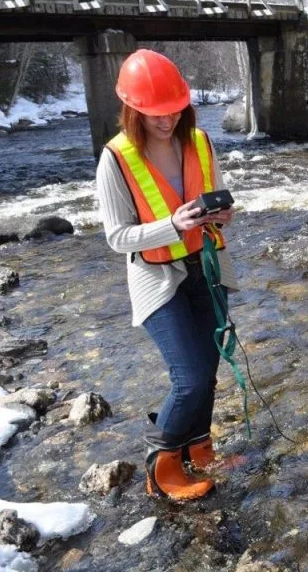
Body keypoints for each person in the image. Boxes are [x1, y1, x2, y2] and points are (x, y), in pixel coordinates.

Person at [96, 49, 238, 501]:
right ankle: (162, 467)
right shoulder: (115, 159)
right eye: (156, 114)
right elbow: (117, 237)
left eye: (175, 110)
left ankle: (200, 449)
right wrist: (171, 225)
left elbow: (212, 196)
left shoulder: (198, 141)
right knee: (190, 377)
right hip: (158, 281)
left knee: (210, 370)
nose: (167, 121)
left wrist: (222, 215)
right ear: (132, 110)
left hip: (207, 269)